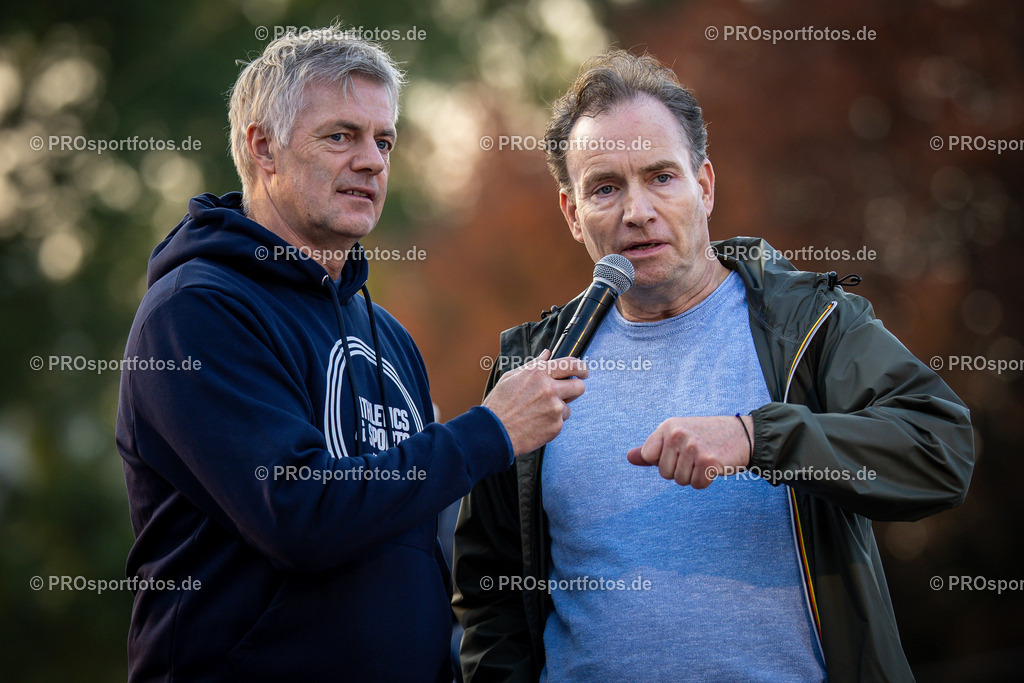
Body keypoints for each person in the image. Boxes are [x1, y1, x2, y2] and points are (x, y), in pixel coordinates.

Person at [452, 50, 975, 682]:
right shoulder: (528, 367)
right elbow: (490, 596)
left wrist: (759, 438)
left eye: (661, 177)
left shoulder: (812, 325)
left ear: (704, 185)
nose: (637, 211)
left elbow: (940, 450)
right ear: (571, 213)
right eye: (606, 187)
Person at [115, 27, 587, 682]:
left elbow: (426, 542)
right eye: (340, 136)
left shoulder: (388, 334)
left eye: (383, 139)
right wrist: (491, 430)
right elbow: (299, 517)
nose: (371, 160)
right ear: (263, 147)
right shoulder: (194, 313)